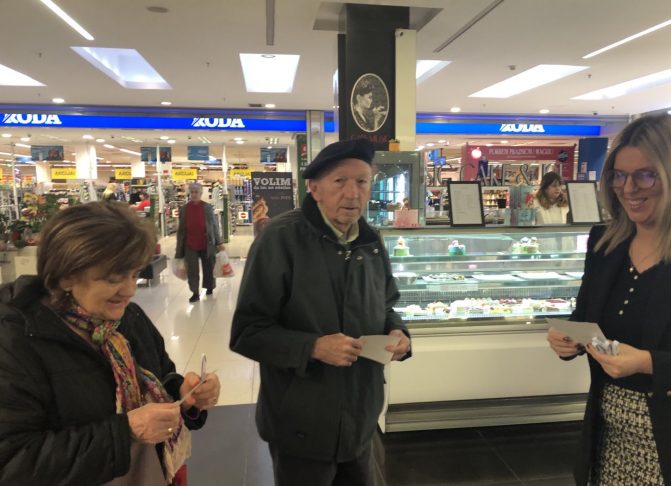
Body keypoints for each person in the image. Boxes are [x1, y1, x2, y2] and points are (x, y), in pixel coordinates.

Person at [546, 114, 671, 485]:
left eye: (645, 175)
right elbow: (585, 318)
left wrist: (649, 363)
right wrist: (567, 339)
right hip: (608, 439)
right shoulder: (605, 242)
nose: (628, 188)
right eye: (619, 175)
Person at [230, 138, 411, 486]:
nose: (352, 193)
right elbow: (247, 332)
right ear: (314, 189)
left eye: (362, 181)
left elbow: (388, 304)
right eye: (339, 181)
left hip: (361, 416)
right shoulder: (280, 239)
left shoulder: (371, 241)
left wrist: (398, 332)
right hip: (301, 424)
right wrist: (313, 347)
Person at [0, 201, 221, 485]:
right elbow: (13, 462)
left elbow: (160, 376)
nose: (129, 290)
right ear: (67, 276)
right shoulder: (15, 341)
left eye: (134, 274)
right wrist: (126, 432)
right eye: (114, 278)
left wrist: (183, 393)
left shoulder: (128, 319)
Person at [175, 183, 224, 303]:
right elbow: (181, 230)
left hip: (207, 242)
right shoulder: (184, 209)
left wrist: (219, 242)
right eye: (192, 192)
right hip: (189, 244)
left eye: (196, 192)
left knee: (209, 267)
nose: (194, 194)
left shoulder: (207, 207)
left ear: (201, 193)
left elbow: (214, 225)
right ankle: (195, 292)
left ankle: (209, 287)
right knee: (192, 270)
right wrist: (179, 248)